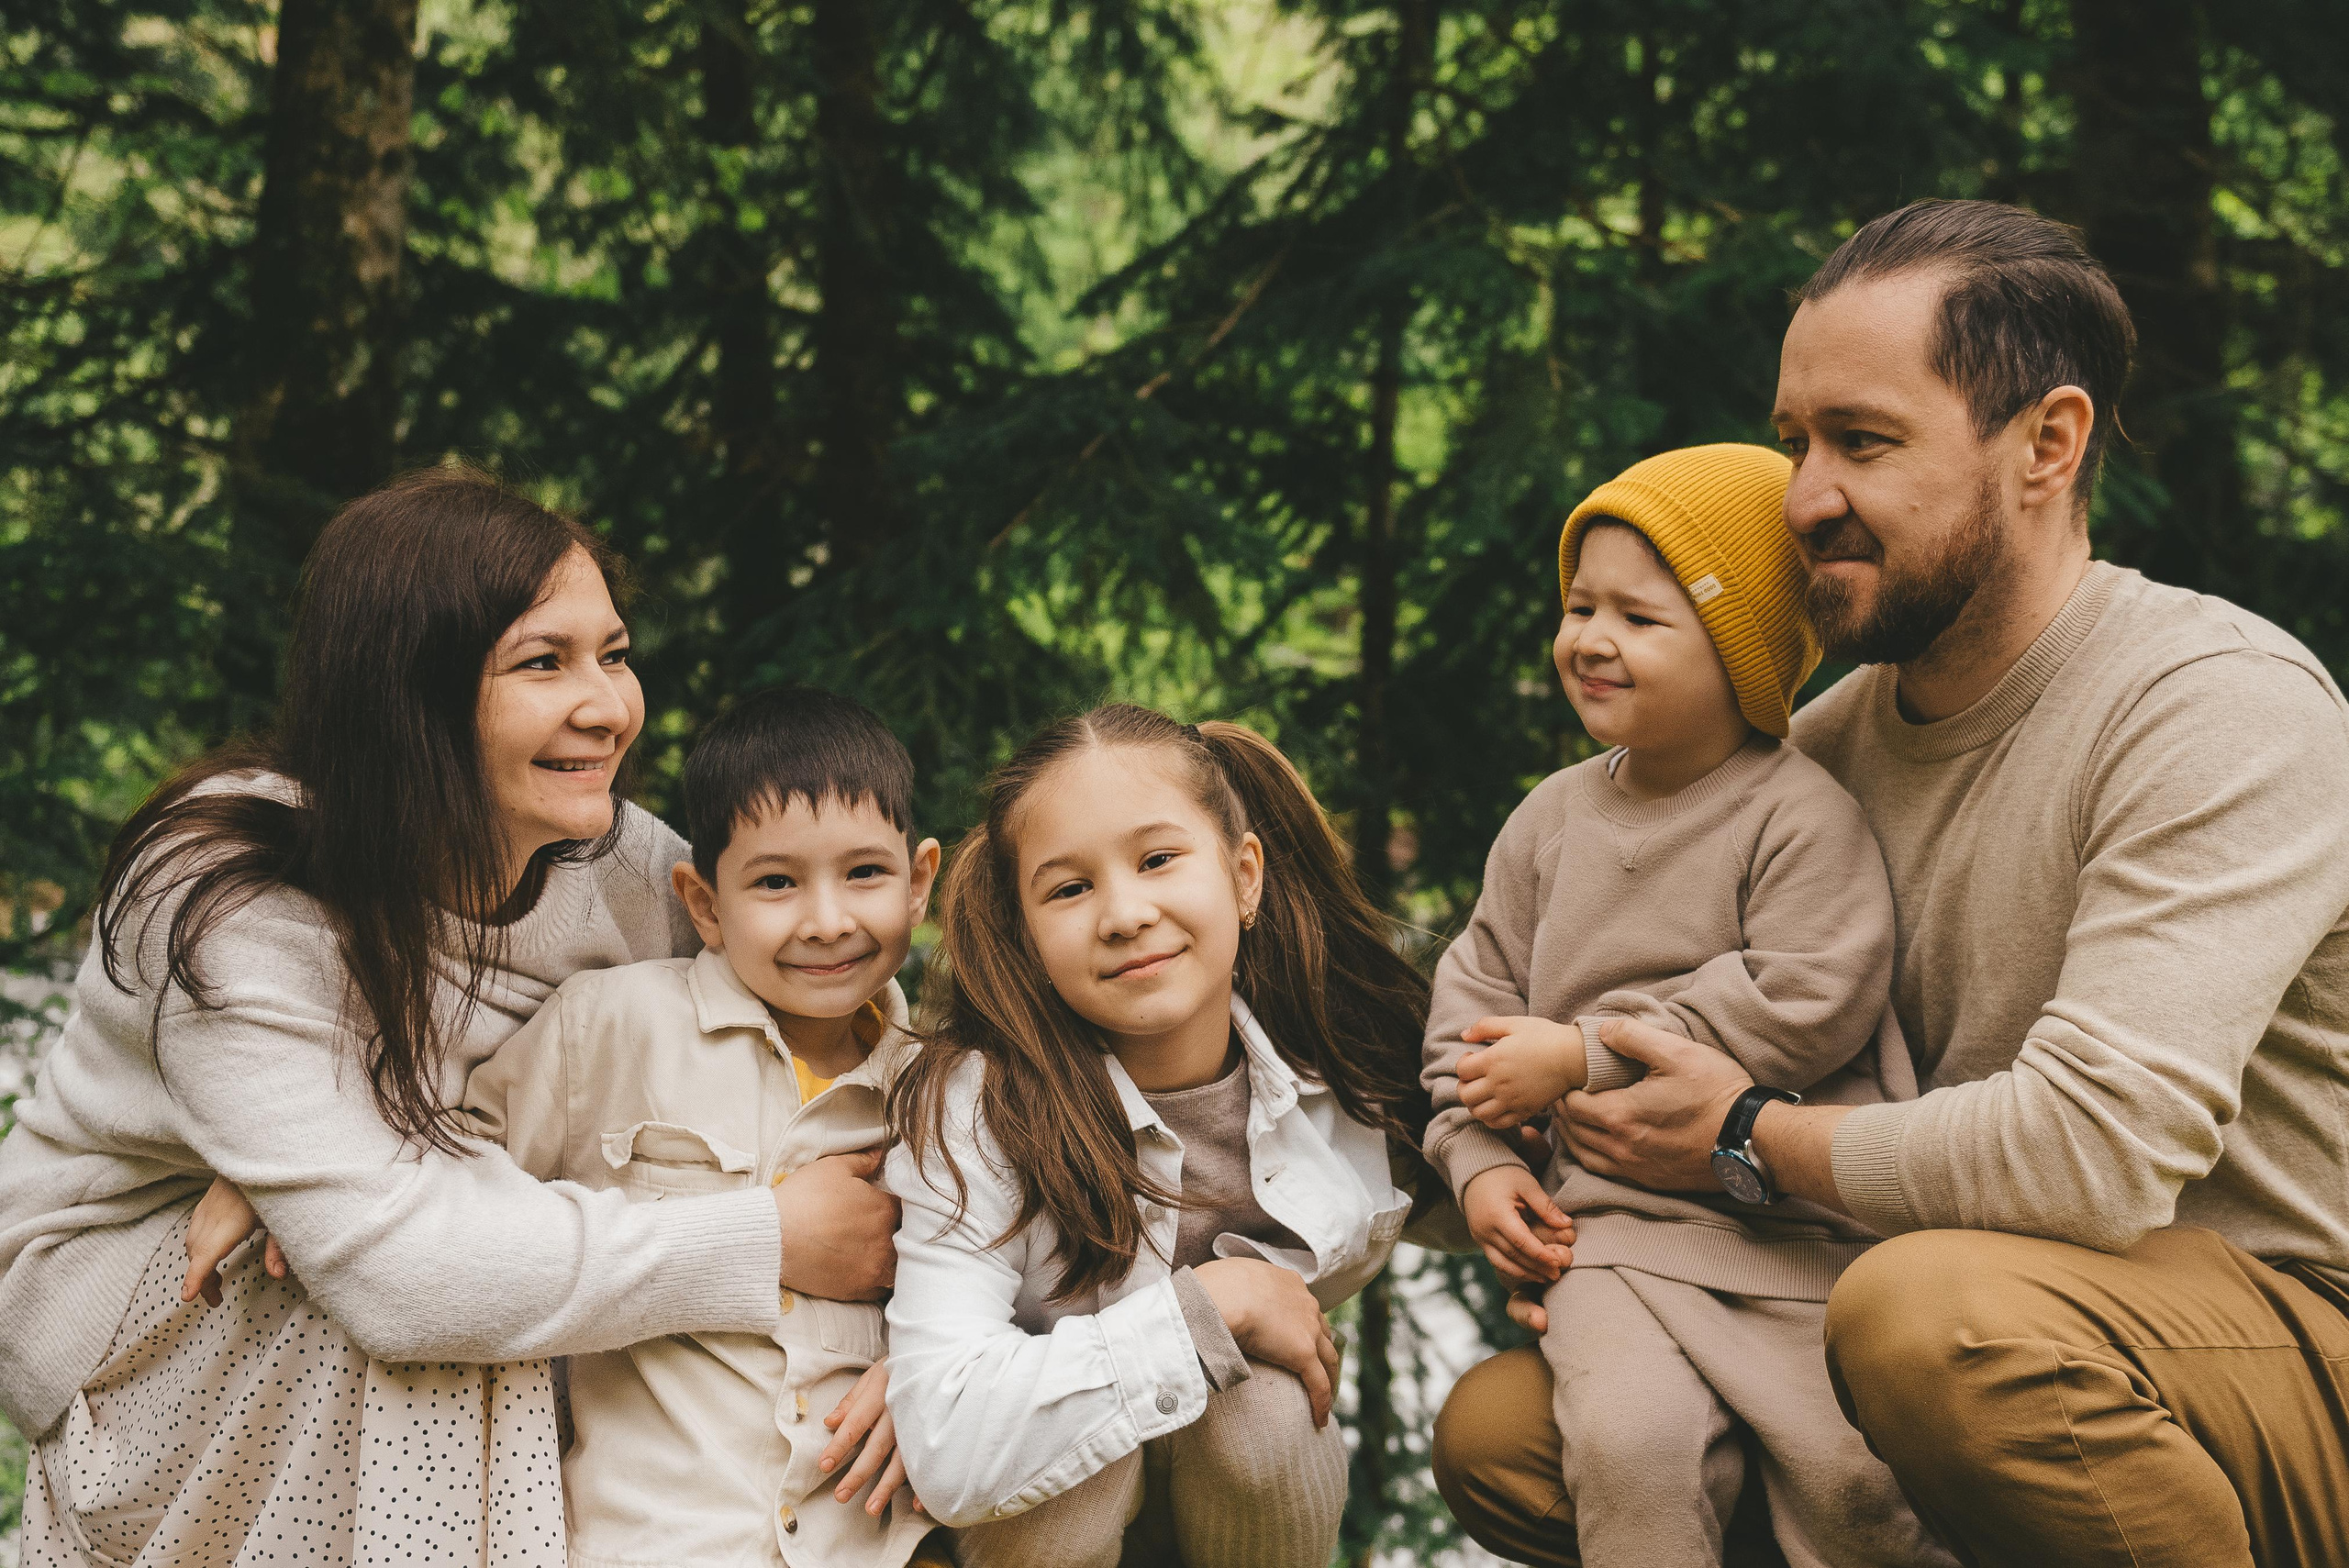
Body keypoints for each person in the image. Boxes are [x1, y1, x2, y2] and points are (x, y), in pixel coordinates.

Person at [1434, 199, 2349, 1568]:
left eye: (1862, 442)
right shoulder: (1808, 752)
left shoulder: (2217, 705)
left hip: (2266, 1335)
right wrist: (1515, 1167)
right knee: (1518, 1427)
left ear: (2049, 443)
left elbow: (2091, 1158)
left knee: (1933, 1323)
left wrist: (1742, 1136)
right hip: (1899, 1302)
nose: (1802, 495)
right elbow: (1609, 1009)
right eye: (1796, 439)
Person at [0, 468, 900, 1566]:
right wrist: (768, 1237)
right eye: (543, 662)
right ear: (410, 691)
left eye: (613, 653)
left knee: (482, 1258)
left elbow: (820, 990)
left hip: (397, 1238)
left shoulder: (621, 866)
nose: (608, 705)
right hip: (141, 1312)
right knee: (430, 1302)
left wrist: (926, 1342)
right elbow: (407, 1276)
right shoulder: (228, 893)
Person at [1422, 443, 1944, 1568]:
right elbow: (1470, 992)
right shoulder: (1550, 819)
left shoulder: (1794, 814)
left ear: (1743, 652)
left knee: (1854, 1480)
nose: (1590, 639)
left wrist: (1585, 1054)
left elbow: (1811, 993)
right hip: (1605, 1238)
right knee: (1626, 1444)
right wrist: (1480, 1160)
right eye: (1578, 606)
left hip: (1793, 1242)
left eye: (1641, 619)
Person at [883, 704, 1433, 1568]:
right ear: (1028, 935)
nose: (1124, 912)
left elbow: (1499, 1176)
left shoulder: (1341, 1074)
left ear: (1244, 877)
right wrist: (1213, 1307)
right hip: (1042, 1528)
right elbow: (949, 1444)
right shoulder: (977, 1108)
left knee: (1264, 1411)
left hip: (1239, 1510)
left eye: (1157, 859)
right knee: (1071, 1456)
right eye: (1070, 887)